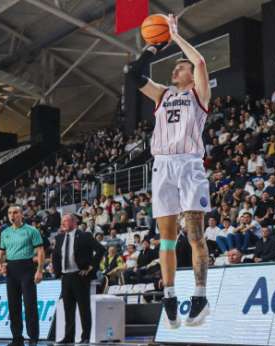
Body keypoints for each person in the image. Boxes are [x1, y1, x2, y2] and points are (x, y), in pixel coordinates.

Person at [126, 13, 212, 328]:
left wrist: (174, 35)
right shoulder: (163, 94)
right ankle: (171, 295)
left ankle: (200, 297)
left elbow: (200, 62)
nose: (177, 68)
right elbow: (132, 74)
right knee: (166, 238)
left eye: (181, 66)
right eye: (176, 66)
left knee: (194, 232)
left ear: (190, 75)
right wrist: (153, 46)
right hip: (162, 166)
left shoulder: (198, 95)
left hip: (189, 164)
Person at [52, 214, 105, 344]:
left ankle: (85, 336)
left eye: (66, 221)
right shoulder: (59, 238)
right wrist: (56, 271)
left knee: (83, 308)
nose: (63, 223)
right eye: (62, 221)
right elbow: (56, 255)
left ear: (74, 222)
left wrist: (91, 267)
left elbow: (100, 250)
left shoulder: (84, 236)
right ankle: (68, 336)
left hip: (80, 275)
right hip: (65, 277)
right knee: (68, 308)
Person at [0, 205, 45, 346]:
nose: (13, 215)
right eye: (10, 212)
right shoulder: (5, 233)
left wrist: (40, 270)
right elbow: (1, 252)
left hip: (27, 268)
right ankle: (17, 337)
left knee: (30, 304)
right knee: (13, 305)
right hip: (11, 270)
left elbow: (41, 251)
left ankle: (33, 337)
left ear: (21, 214)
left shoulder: (31, 230)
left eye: (16, 212)